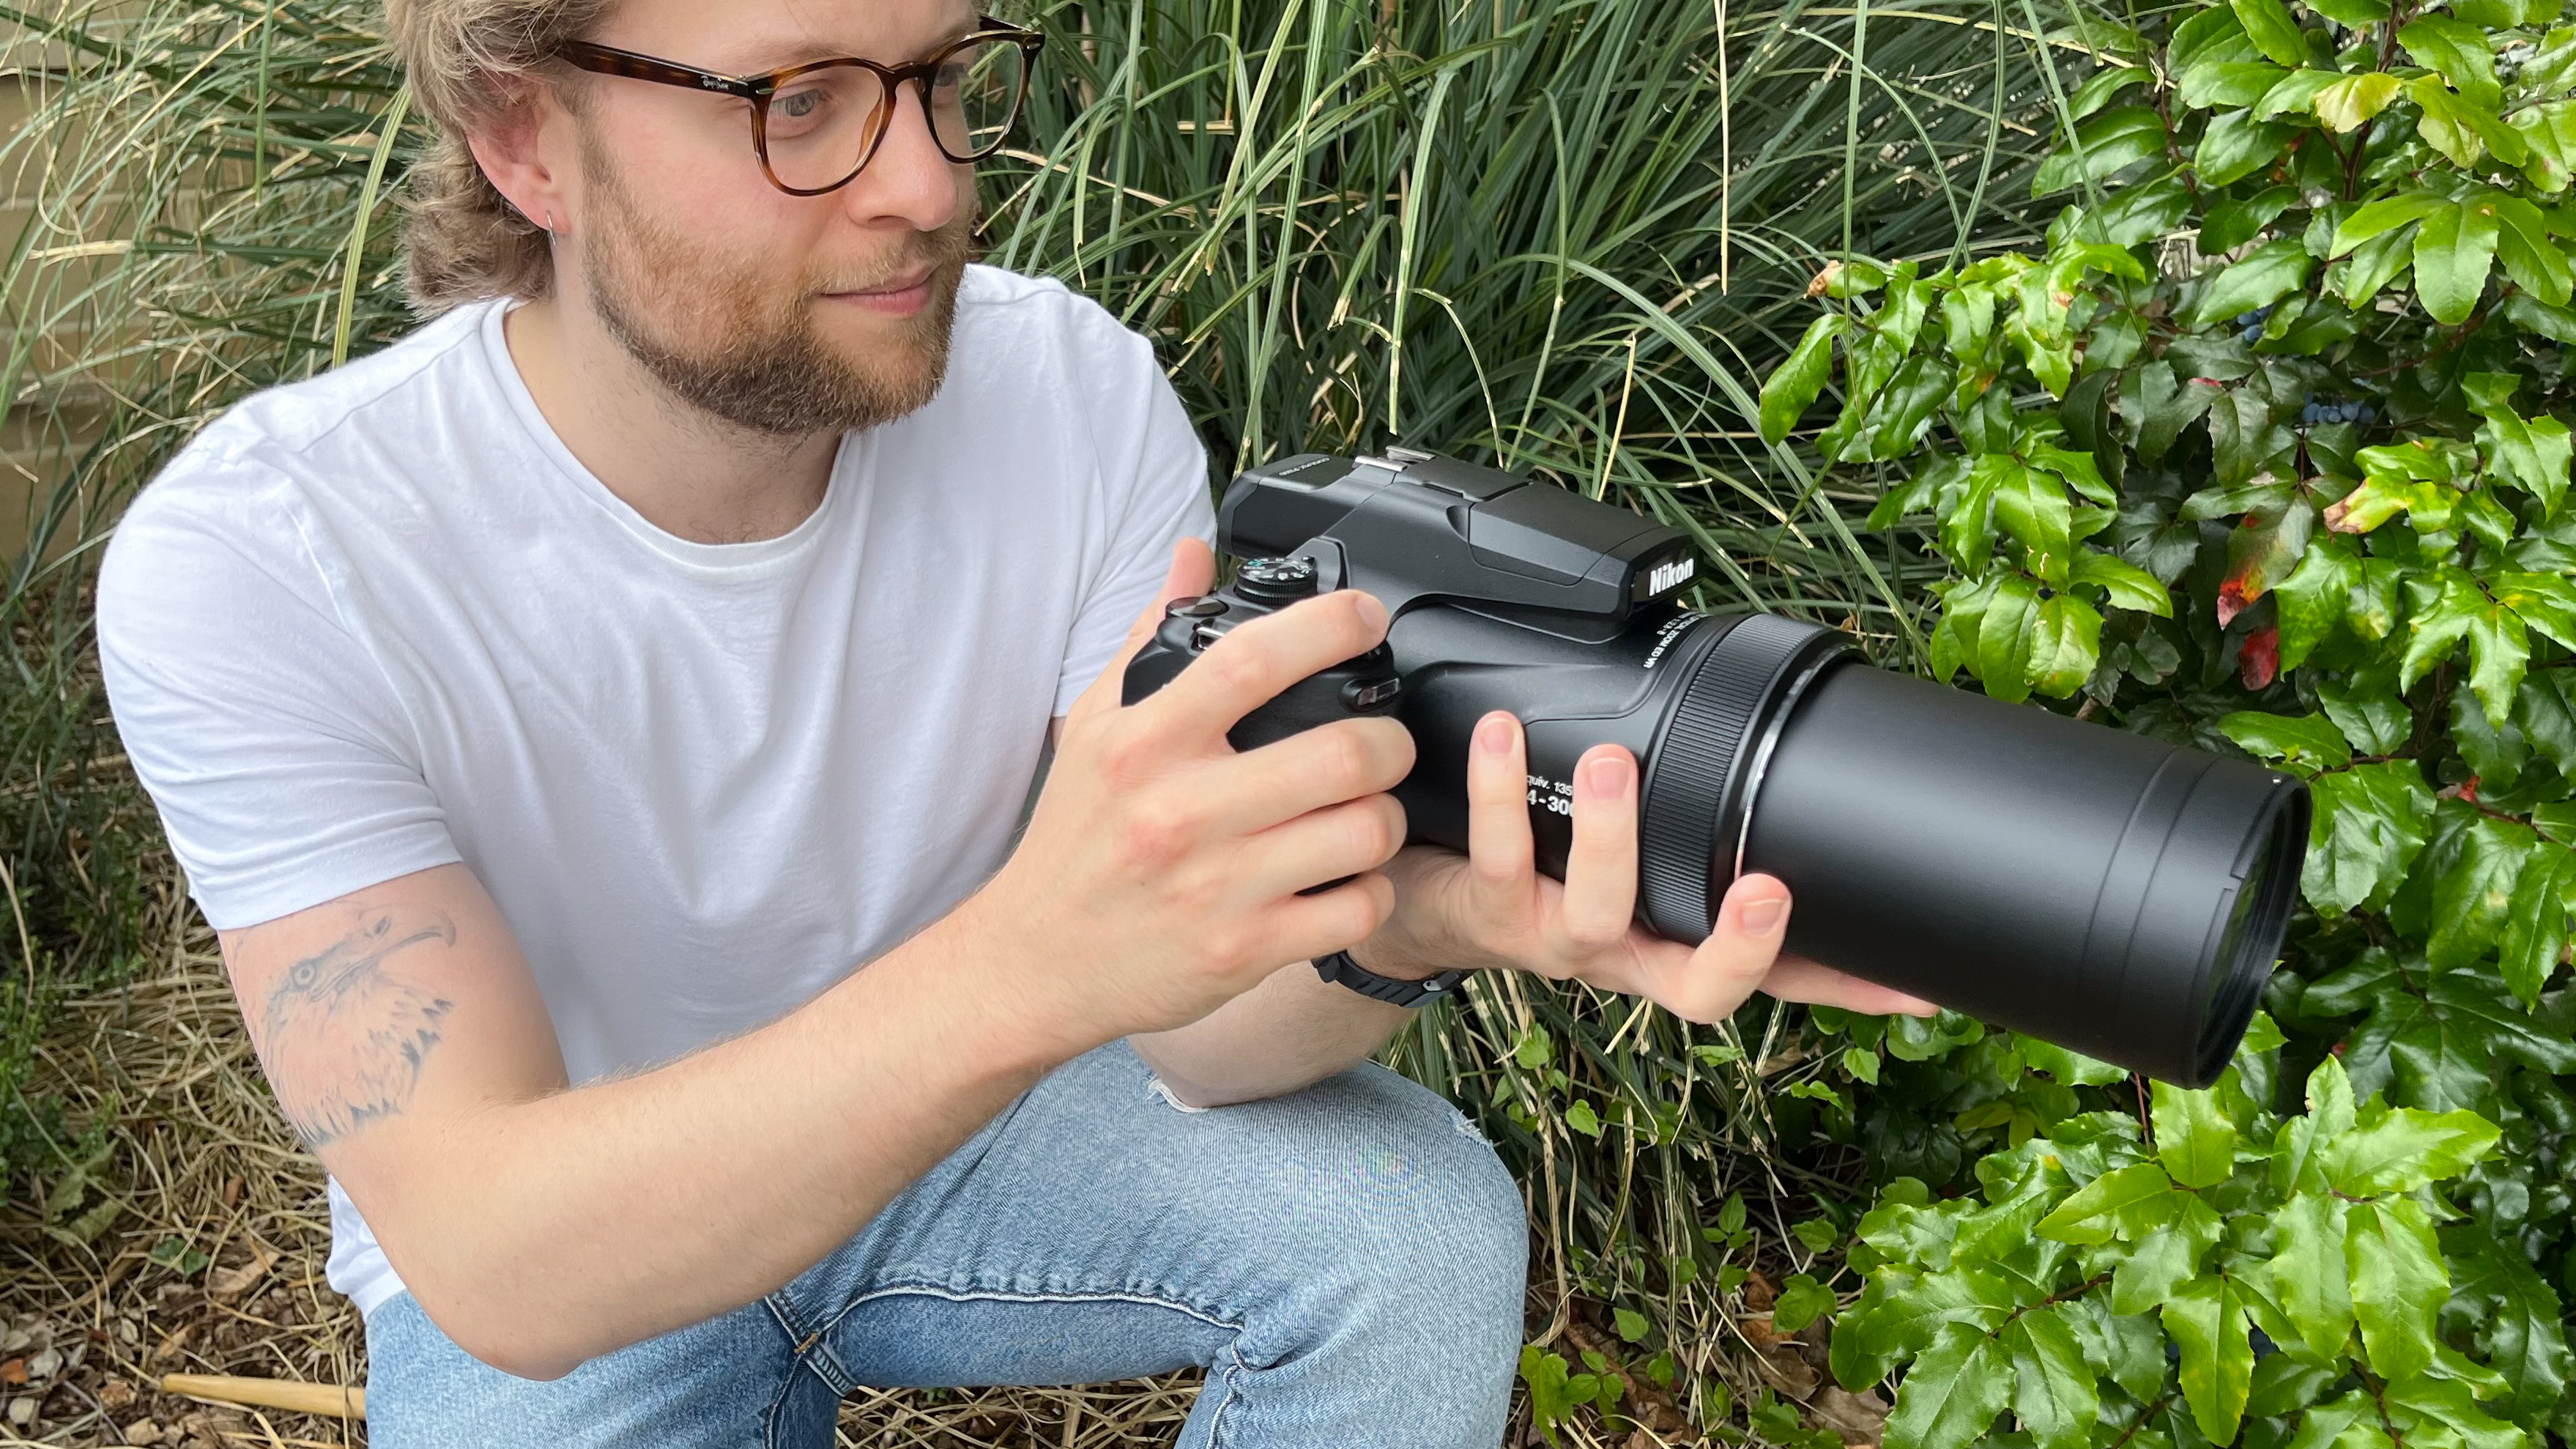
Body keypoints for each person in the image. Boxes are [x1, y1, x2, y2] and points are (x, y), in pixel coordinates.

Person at [92, 0, 1936, 1442]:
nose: (924, 183)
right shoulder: (271, 557)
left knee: (1409, 1224)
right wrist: (1043, 959)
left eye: (940, 79)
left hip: (990, 1122)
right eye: (797, 103)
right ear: (525, 139)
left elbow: (1199, 1039)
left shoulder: (1066, 394)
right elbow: (501, 1256)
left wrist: (1412, 918)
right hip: (592, 1231)